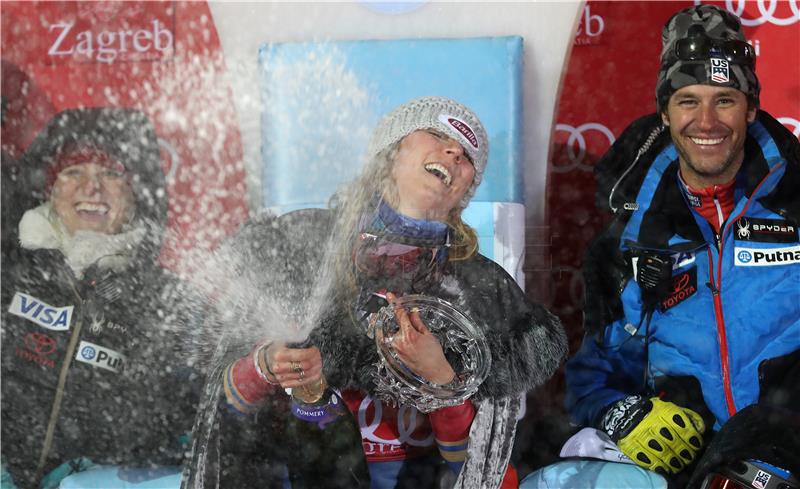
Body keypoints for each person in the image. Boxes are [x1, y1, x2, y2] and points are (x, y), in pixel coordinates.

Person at [182, 96, 569, 489]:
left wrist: (442, 380)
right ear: (390, 152)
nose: (454, 152)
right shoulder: (298, 244)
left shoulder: (481, 287)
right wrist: (265, 366)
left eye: (468, 158)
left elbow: (482, 469)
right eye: (436, 134)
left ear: (464, 191)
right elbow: (221, 421)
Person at [522, 4, 800, 489]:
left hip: (784, 450)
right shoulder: (626, 241)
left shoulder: (796, 203)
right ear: (666, 113)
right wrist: (623, 413)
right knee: (552, 482)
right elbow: (594, 375)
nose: (707, 121)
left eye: (725, 100)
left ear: (752, 108)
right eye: (688, 100)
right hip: (686, 465)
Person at [1, 108, 204, 489]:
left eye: (111, 174)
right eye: (73, 171)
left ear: (135, 195)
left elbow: (192, 430)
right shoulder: (7, 270)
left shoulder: (170, 302)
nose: (91, 188)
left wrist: (98, 473)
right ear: (50, 188)